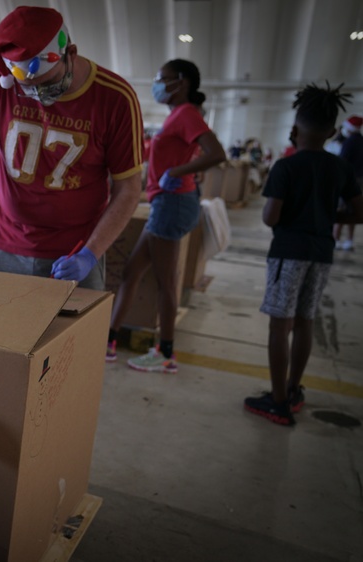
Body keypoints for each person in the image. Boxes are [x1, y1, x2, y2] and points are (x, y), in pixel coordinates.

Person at [0, 6, 144, 292]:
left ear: (72, 53)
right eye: (27, 89)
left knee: (71, 336)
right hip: (2, 241)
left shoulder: (116, 98)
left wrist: (90, 253)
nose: (39, 97)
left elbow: (128, 188)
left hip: (73, 250)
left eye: (49, 84)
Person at [244, 83, 363, 426]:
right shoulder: (340, 168)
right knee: (304, 321)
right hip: (322, 253)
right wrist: (329, 217)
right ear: (333, 132)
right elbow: (359, 211)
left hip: (289, 252)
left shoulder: (286, 166)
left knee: (279, 326)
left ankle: (278, 401)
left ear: (294, 130)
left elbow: (270, 217)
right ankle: (294, 389)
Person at [108, 59, 226, 372]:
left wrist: (178, 171)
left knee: (166, 283)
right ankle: (109, 340)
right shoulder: (178, 115)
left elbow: (217, 153)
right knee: (132, 273)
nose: (157, 83)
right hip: (167, 202)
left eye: (163, 78)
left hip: (172, 203)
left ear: (182, 82)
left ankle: (166, 353)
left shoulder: (186, 113)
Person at [334, 114, 363, 250]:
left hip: (347, 180)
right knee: (354, 210)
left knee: (341, 208)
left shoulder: (349, 142)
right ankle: (349, 240)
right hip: (360, 180)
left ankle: (336, 238)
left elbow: (342, 161)